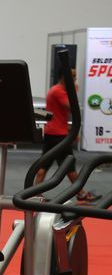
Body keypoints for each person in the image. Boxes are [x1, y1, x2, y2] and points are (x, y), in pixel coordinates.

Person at [33, 69, 96, 201]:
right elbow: (72, 108)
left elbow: (60, 114)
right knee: (69, 165)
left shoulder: (56, 90)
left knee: (45, 164)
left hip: (53, 132)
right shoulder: (59, 91)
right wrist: (74, 91)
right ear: (64, 77)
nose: (75, 80)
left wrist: (70, 130)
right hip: (58, 136)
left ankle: (35, 193)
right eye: (73, 77)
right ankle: (81, 193)